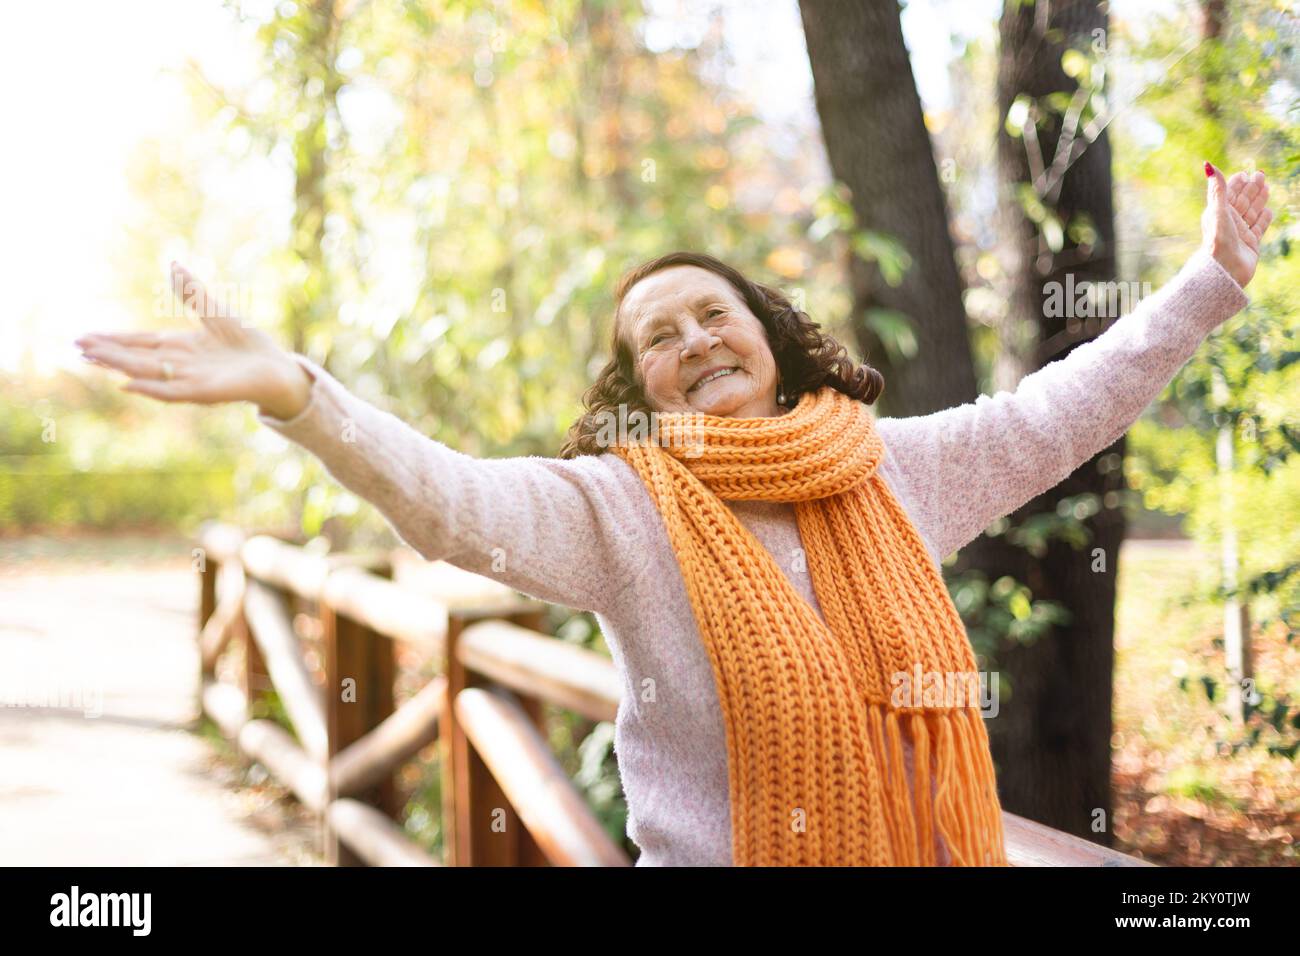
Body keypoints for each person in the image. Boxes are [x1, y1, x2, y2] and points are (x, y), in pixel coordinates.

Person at [77, 164, 1272, 866]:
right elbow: (450, 505)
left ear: (768, 333)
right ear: (636, 386)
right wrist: (298, 392)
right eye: (659, 336)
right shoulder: (620, 508)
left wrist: (1206, 280)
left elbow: (1062, 408)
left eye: (711, 313)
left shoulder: (895, 467)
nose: (694, 340)